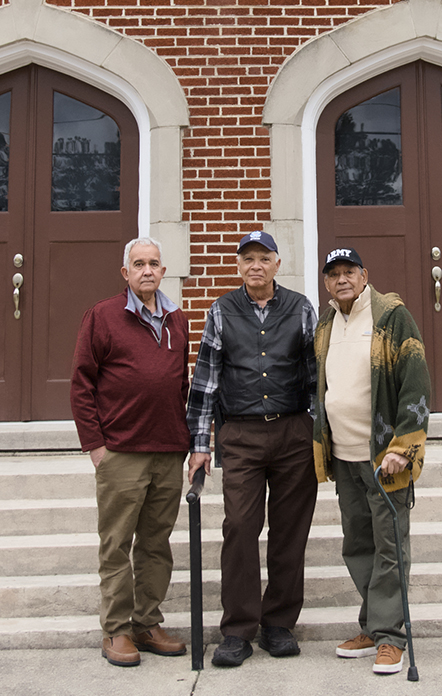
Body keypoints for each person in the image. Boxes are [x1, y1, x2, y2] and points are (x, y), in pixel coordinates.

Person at [186, 230, 319, 668]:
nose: (255, 265)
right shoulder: (221, 310)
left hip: (293, 433)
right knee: (240, 527)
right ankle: (238, 629)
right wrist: (200, 444)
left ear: (278, 264)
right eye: (248, 259)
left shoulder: (301, 309)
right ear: (239, 266)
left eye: (264, 258)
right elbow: (205, 382)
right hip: (240, 436)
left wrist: (321, 433)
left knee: (289, 530)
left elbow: (317, 376)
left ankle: (278, 624)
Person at [70, 237, 191, 668]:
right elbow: (82, 385)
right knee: (117, 544)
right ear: (126, 273)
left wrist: (189, 442)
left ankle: (147, 622)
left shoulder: (178, 320)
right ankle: (117, 630)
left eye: (154, 264)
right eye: (138, 264)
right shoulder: (102, 317)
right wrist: (96, 447)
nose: (147, 271)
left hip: (168, 450)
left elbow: (181, 386)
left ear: (163, 271)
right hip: (121, 452)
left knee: (156, 545)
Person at [312, 247, 430, 676]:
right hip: (343, 456)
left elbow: (416, 383)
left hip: (384, 457)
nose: (341, 279)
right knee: (357, 543)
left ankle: (391, 637)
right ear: (326, 282)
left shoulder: (391, 317)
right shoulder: (326, 323)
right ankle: (375, 623)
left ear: (365, 275)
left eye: (349, 271)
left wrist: (403, 446)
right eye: (333, 274)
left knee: (390, 546)